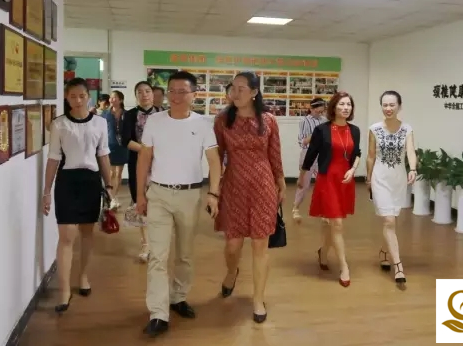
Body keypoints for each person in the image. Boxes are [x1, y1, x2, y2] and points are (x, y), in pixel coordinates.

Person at [136, 71, 221, 338]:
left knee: (184, 254)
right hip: (159, 194)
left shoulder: (204, 124)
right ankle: (158, 313)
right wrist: (140, 195)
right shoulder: (155, 121)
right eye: (171, 90)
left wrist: (213, 193)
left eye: (182, 91)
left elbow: (215, 162)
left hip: (190, 195)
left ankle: (178, 297)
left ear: (194, 95)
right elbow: (144, 159)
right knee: (157, 256)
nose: (175, 96)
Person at [213, 71, 285, 323]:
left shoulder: (269, 120)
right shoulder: (223, 120)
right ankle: (232, 271)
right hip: (234, 186)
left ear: (254, 92)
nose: (235, 93)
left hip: (263, 186)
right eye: (233, 88)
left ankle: (258, 299)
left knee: (259, 244)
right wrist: (214, 190)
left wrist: (281, 183)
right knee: (233, 244)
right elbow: (216, 158)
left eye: (241, 88)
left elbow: (275, 154)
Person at [42, 78, 114, 313]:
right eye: (72, 96)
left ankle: (83, 276)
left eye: (82, 96)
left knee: (87, 233)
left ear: (88, 97)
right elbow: (53, 158)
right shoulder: (59, 124)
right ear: (67, 97)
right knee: (66, 236)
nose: (78, 100)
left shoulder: (100, 123)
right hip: (67, 182)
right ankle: (64, 291)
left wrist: (110, 186)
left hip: (90, 182)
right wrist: (46, 191)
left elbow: (103, 155)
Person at [297, 91, 360, 288]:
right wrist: (302, 175)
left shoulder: (354, 130)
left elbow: (357, 153)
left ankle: (323, 251)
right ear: (334, 107)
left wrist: (353, 169)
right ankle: (344, 267)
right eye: (342, 104)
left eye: (348, 104)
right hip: (327, 179)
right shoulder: (322, 130)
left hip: (345, 180)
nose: (345, 108)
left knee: (331, 223)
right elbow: (311, 153)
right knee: (337, 223)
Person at [365, 91, 417, 285]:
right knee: (388, 219)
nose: (388, 108)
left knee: (391, 221)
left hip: (398, 180)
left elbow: (410, 151)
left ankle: (385, 251)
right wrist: (368, 179)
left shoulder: (407, 129)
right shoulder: (374, 129)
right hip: (380, 179)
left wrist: (413, 169)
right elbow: (371, 156)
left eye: (392, 105)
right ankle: (398, 266)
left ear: (399, 106)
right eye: (385, 105)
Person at [121, 81, 161, 262]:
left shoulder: (163, 113)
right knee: (141, 201)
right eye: (140, 92)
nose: (144, 95)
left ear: (153, 94)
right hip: (138, 163)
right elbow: (126, 140)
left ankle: (157, 242)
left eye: (147, 91)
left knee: (159, 202)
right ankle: (145, 243)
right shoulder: (129, 115)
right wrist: (146, 151)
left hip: (160, 165)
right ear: (135, 95)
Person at [292, 97, 326, 222]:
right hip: (308, 154)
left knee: (323, 183)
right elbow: (303, 141)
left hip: (322, 155)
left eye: (321, 112)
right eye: (317, 111)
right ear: (311, 109)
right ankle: (296, 208)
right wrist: (316, 134)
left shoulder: (324, 121)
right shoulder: (304, 121)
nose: (319, 114)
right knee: (304, 183)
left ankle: (324, 211)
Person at [100, 90, 128, 204]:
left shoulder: (127, 114)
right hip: (109, 145)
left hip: (122, 146)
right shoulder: (105, 114)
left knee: (118, 173)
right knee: (111, 173)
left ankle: (114, 197)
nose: (112, 99)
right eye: (111, 97)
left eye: (115, 97)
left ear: (120, 100)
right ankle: (110, 197)